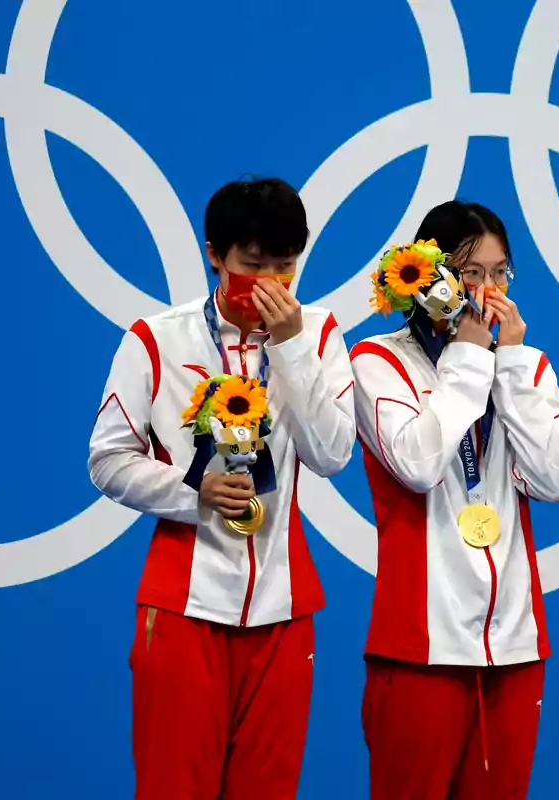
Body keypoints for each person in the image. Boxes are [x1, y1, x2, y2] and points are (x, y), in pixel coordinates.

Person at [88, 177, 356, 799]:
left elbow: (332, 454)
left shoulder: (317, 335)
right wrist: (192, 491)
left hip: (284, 611)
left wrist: (290, 350)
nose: (268, 283)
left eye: (284, 267)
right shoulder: (156, 339)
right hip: (184, 607)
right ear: (215, 254)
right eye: (251, 264)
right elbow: (107, 460)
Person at [351, 200, 559, 799]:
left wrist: (509, 365)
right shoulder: (378, 361)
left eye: (499, 273)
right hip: (419, 645)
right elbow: (420, 464)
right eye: (470, 272)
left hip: (515, 644)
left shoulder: (524, 366)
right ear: (427, 276)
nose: (487, 290)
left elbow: (556, 480)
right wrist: (472, 360)